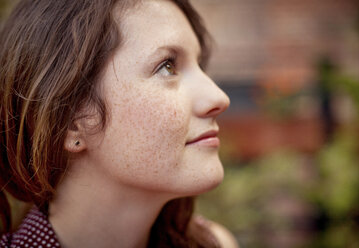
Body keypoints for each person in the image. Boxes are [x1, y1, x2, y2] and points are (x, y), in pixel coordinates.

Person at [0, 0, 237, 247]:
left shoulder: (212, 242)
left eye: (199, 65)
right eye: (167, 67)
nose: (219, 97)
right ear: (70, 122)